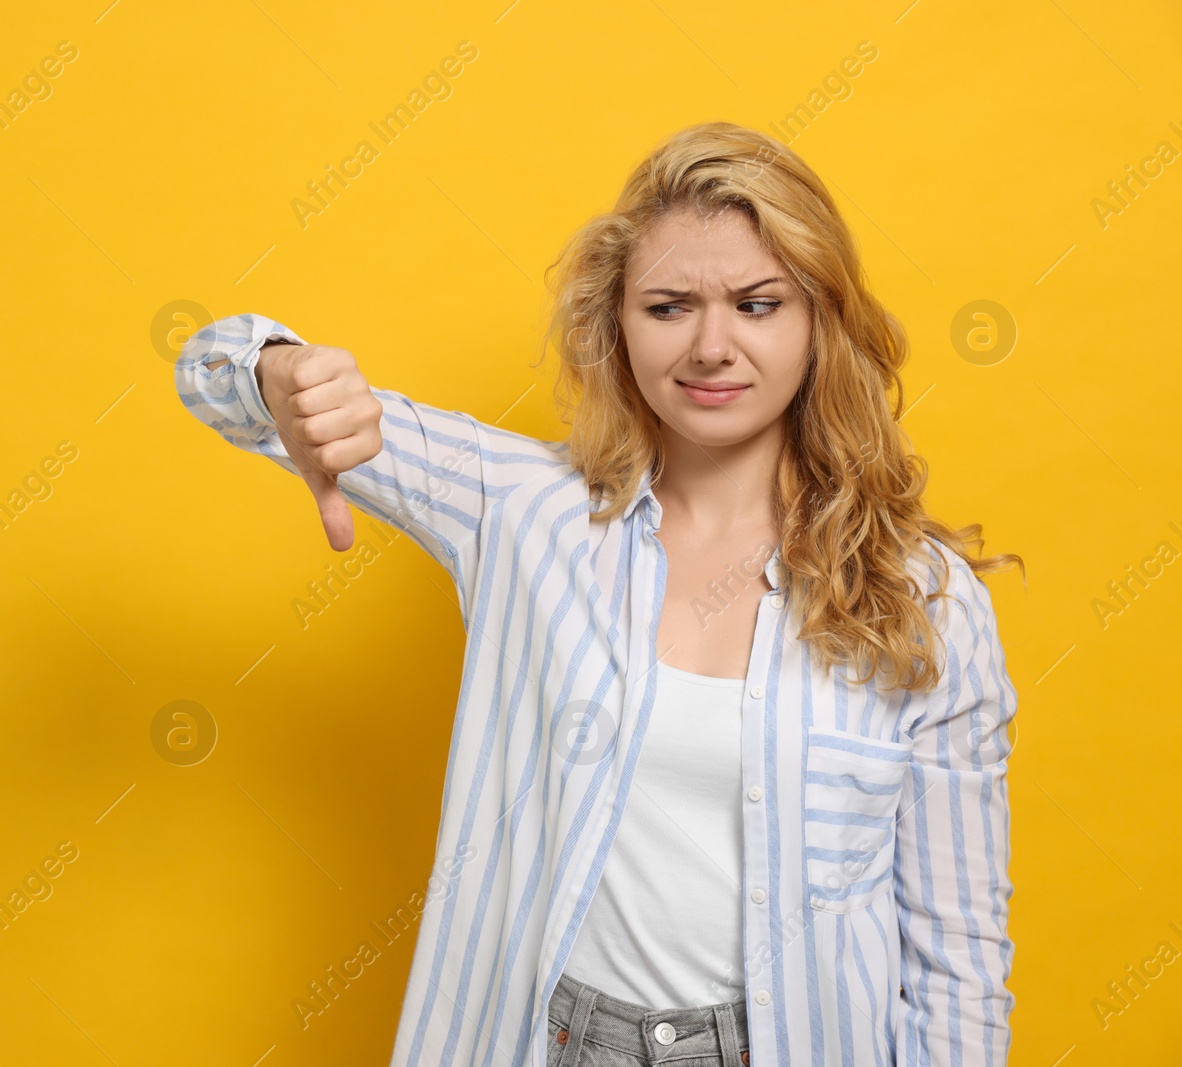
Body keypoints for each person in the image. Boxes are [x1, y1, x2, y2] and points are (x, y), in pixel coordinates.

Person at [174, 121, 1022, 1067]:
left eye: (756, 303)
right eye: (667, 307)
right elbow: (211, 373)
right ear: (617, 326)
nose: (711, 346)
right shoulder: (522, 509)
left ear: (819, 319)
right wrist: (279, 372)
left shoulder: (927, 603)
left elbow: (959, 960)